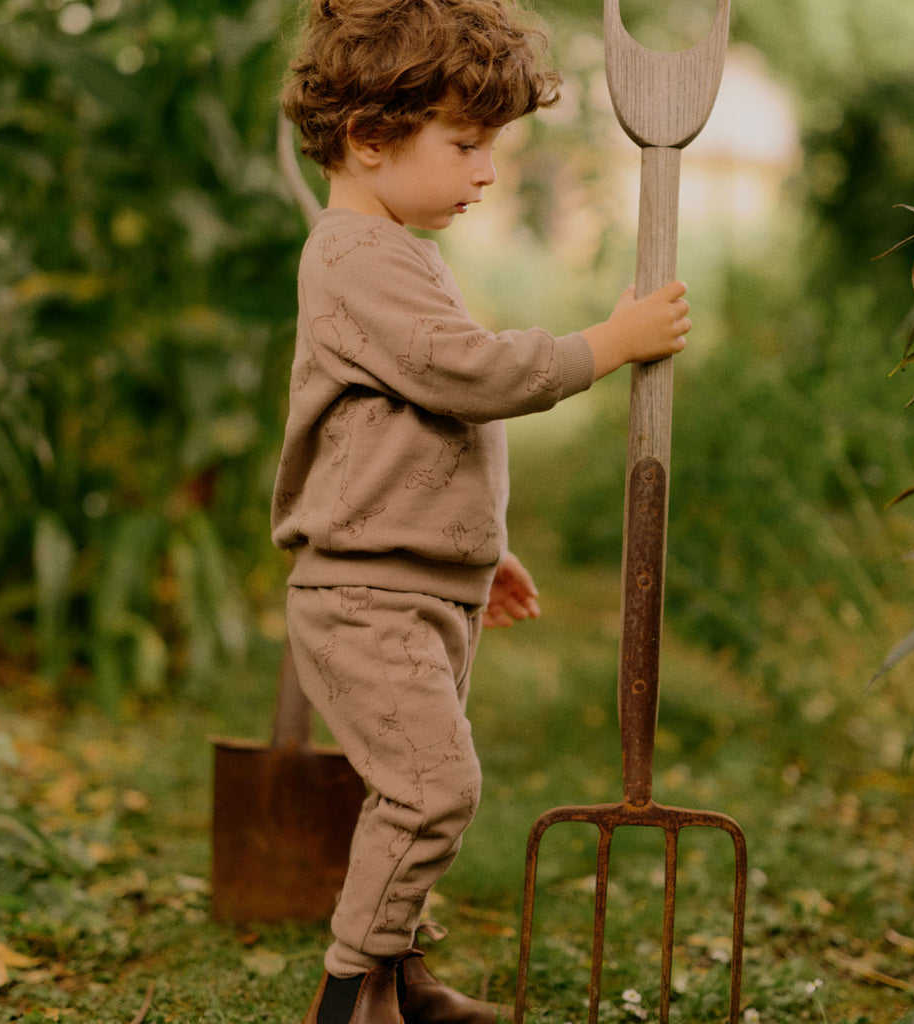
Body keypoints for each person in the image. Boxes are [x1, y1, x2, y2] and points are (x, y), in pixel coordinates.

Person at [272, 1, 691, 1022]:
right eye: (464, 145)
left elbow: (410, 432)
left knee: (408, 788)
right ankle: (343, 996)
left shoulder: (400, 252)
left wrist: (476, 548)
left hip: (415, 580)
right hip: (364, 594)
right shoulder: (351, 255)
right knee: (431, 788)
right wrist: (604, 343)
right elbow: (460, 375)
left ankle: (395, 977)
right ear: (368, 140)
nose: (486, 173)